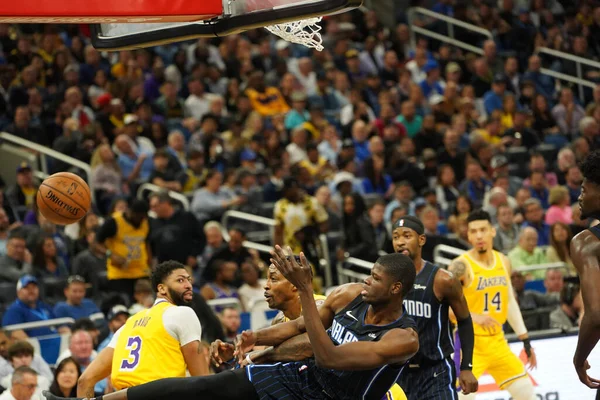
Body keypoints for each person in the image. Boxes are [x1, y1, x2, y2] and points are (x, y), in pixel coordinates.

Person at [44, 250, 419, 400]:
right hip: (298, 378)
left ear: (396, 289)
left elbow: (328, 356)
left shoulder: (402, 339)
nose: (366, 282)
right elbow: (294, 329)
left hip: (335, 395)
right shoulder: (348, 295)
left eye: (375, 279)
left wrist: (305, 289)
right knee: (205, 388)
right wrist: (250, 337)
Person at [74, 261, 208, 398]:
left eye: (189, 280)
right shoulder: (182, 313)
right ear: (161, 289)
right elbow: (203, 382)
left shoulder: (127, 325)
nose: (188, 285)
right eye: (180, 280)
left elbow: (85, 381)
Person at [449, 210, 537, 400]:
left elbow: (509, 301)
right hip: (468, 344)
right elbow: (446, 309)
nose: (479, 235)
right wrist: (476, 317)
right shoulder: (459, 266)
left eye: (483, 230)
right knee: (462, 397)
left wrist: (525, 338)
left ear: (493, 231)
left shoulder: (503, 261)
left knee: (527, 393)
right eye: (473, 231)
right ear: (468, 235)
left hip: (498, 341)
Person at [391, 216, 478, 399]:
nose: (400, 242)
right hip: (397, 373)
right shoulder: (386, 281)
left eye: (407, 236)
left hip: (435, 371)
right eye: (396, 237)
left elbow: (464, 320)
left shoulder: (443, 279)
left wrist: (466, 366)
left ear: (421, 239)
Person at [570, 150, 600, 389]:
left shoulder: (587, 244)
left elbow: (596, 315)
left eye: (584, 190)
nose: (579, 197)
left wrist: (579, 359)